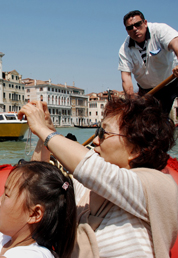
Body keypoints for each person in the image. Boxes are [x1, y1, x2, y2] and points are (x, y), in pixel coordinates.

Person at [18, 97, 178, 258]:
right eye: (97, 132)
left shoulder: (155, 185)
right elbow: (36, 182)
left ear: (135, 150)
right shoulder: (87, 189)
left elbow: (91, 168)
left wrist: (43, 130)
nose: (95, 140)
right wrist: (45, 130)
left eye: (103, 133)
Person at [118, 10, 178, 114]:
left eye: (137, 24)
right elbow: (126, 79)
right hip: (149, 91)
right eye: (130, 27)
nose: (135, 29)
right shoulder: (125, 49)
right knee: (156, 123)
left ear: (145, 23)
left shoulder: (160, 30)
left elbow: (175, 43)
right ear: (126, 30)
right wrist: (131, 102)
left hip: (173, 79)